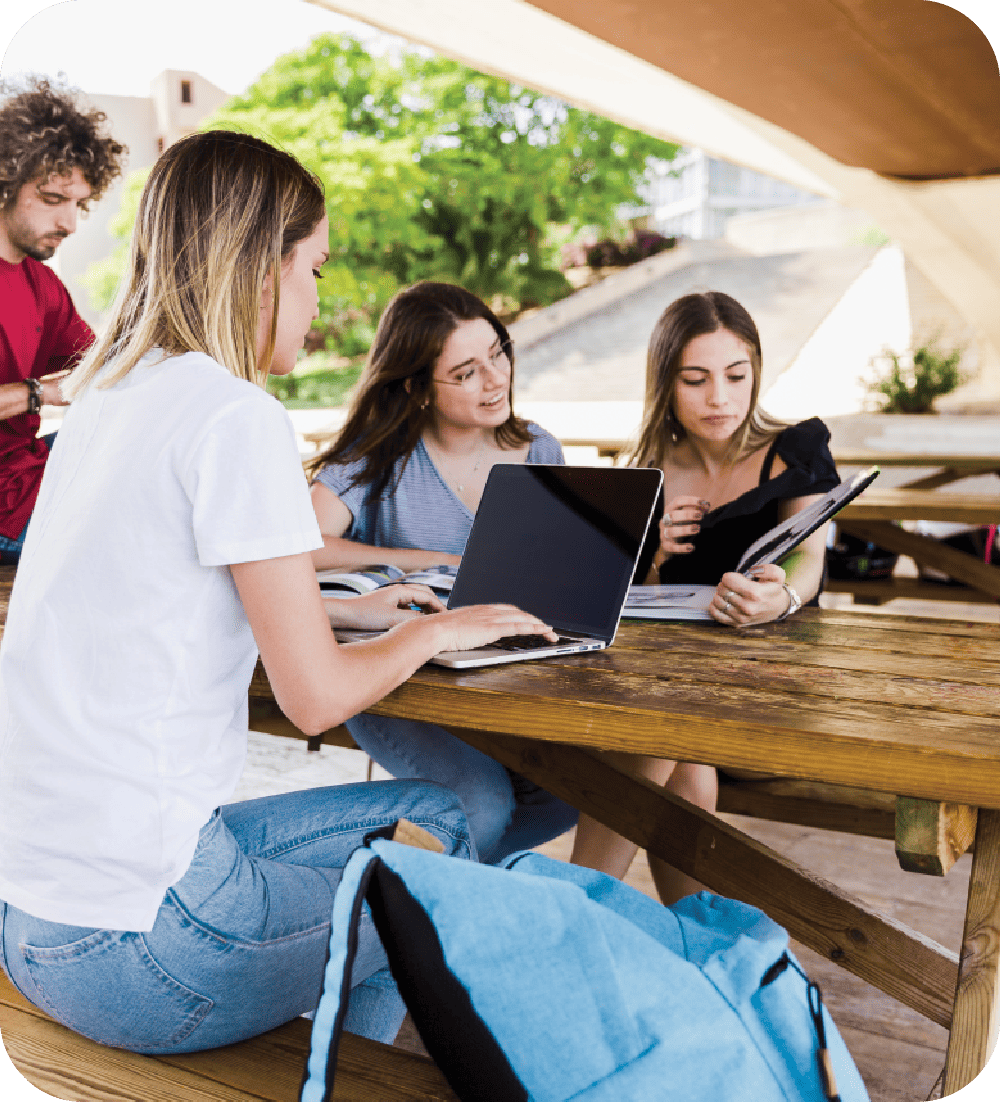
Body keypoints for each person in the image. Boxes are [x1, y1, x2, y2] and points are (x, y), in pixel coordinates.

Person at [0, 131, 558, 1055]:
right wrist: (433, 631)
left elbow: (158, 591)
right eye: (316, 270)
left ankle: (344, 1059)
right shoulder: (236, 414)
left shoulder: (106, 396)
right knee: (439, 856)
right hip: (141, 953)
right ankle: (352, 1072)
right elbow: (316, 699)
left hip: (30, 921)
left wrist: (352, 608)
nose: (319, 300)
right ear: (263, 269)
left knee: (429, 817)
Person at [571, 290, 840, 904]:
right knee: (675, 746)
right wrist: (654, 556)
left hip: (778, 683)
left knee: (657, 731)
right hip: (680, 687)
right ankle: (695, 931)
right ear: (665, 383)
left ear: (756, 373)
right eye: (696, 379)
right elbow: (632, 606)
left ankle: (576, 907)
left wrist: (782, 598)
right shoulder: (648, 469)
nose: (719, 397)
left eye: (735, 376)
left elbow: (810, 558)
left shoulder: (795, 451)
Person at [307, 282, 577, 862]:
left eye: (498, 354)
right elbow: (300, 549)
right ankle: (408, 892)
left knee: (570, 793)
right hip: (394, 676)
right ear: (416, 387)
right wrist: (426, 561)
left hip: (504, 672)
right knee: (480, 803)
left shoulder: (539, 451)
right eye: (466, 372)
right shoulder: (377, 457)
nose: (496, 379)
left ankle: (420, 876)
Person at [0, 77, 126, 563]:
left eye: (78, 204)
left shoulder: (42, 284)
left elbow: (102, 365)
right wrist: (37, 393)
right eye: (54, 200)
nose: (70, 224)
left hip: (30, 474)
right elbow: (52, 390)